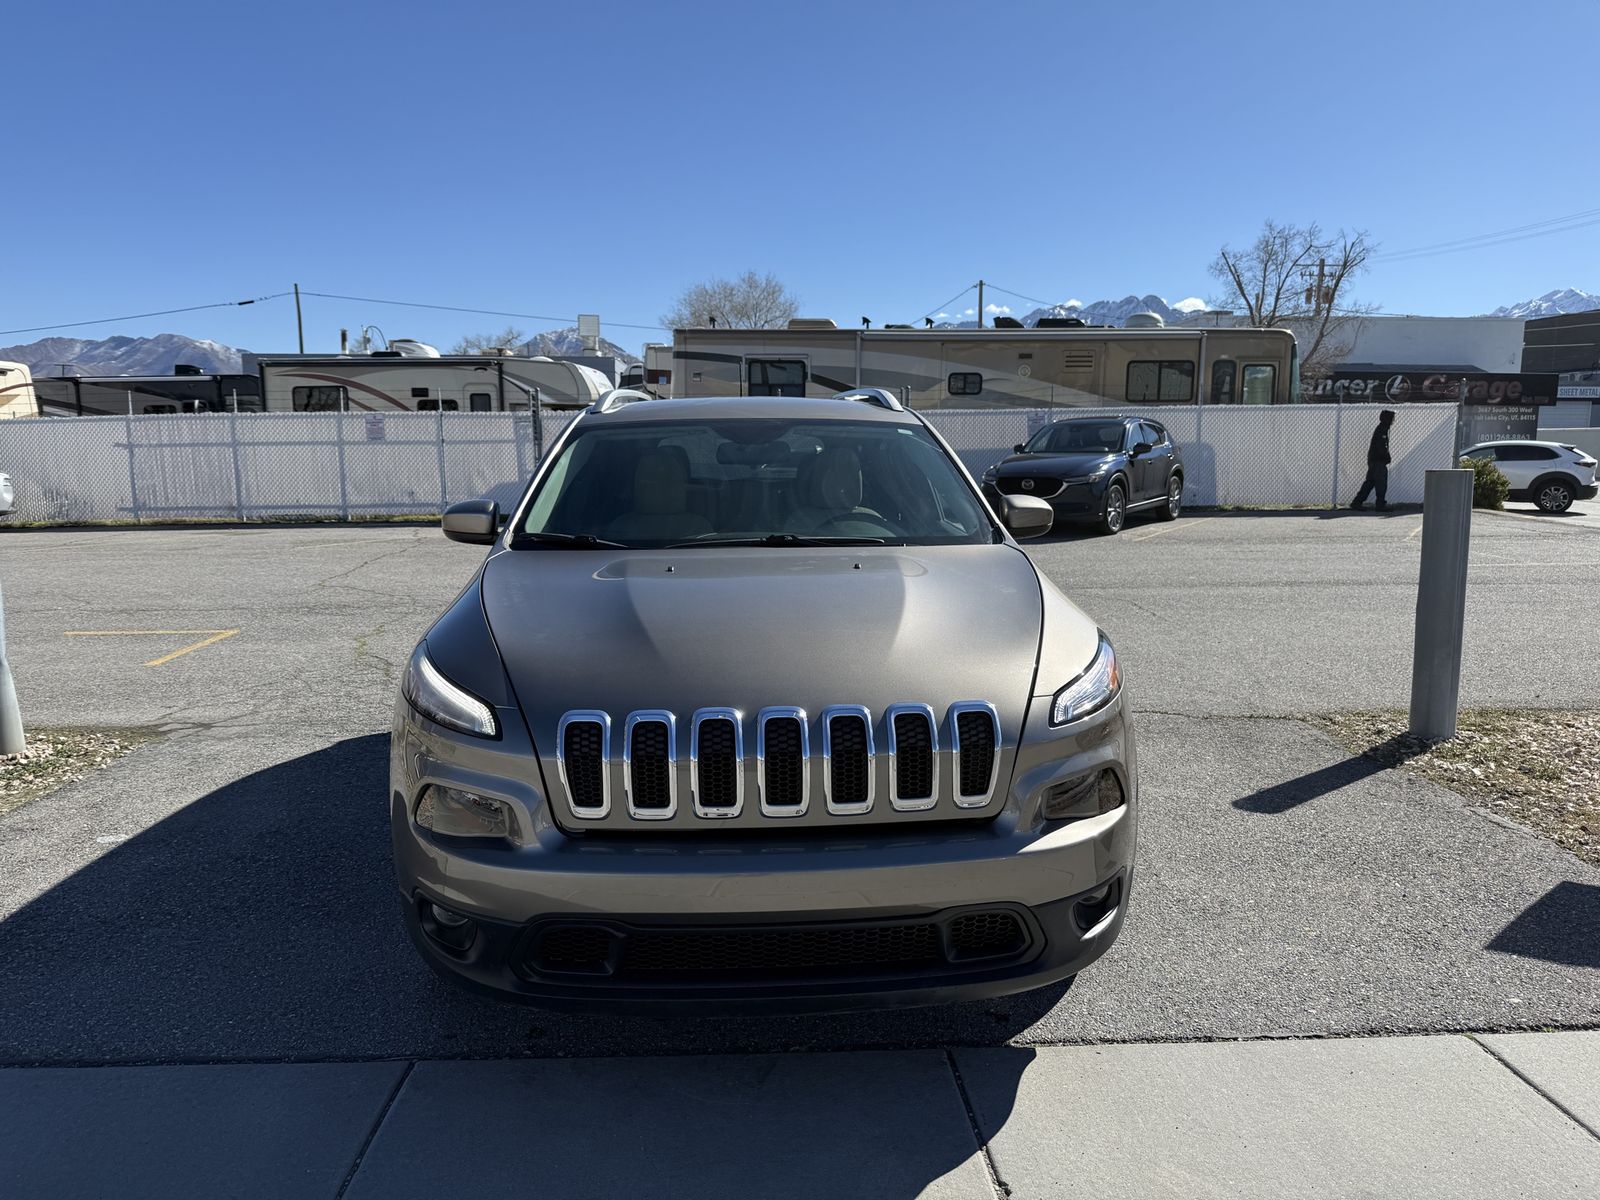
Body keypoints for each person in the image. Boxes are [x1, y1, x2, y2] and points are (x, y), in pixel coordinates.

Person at [1350, 409, 1395, 511]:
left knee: (1370, 482)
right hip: (1378, 461)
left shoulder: (1382, 429)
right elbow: (1381, 447)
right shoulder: (1381, 430)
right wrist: (1386, 457)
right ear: (1387, 419)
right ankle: (1380, 504)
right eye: (1392, 418)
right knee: (1381, 483)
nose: (1393, 420)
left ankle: (1357, 502)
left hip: (1374, 460)